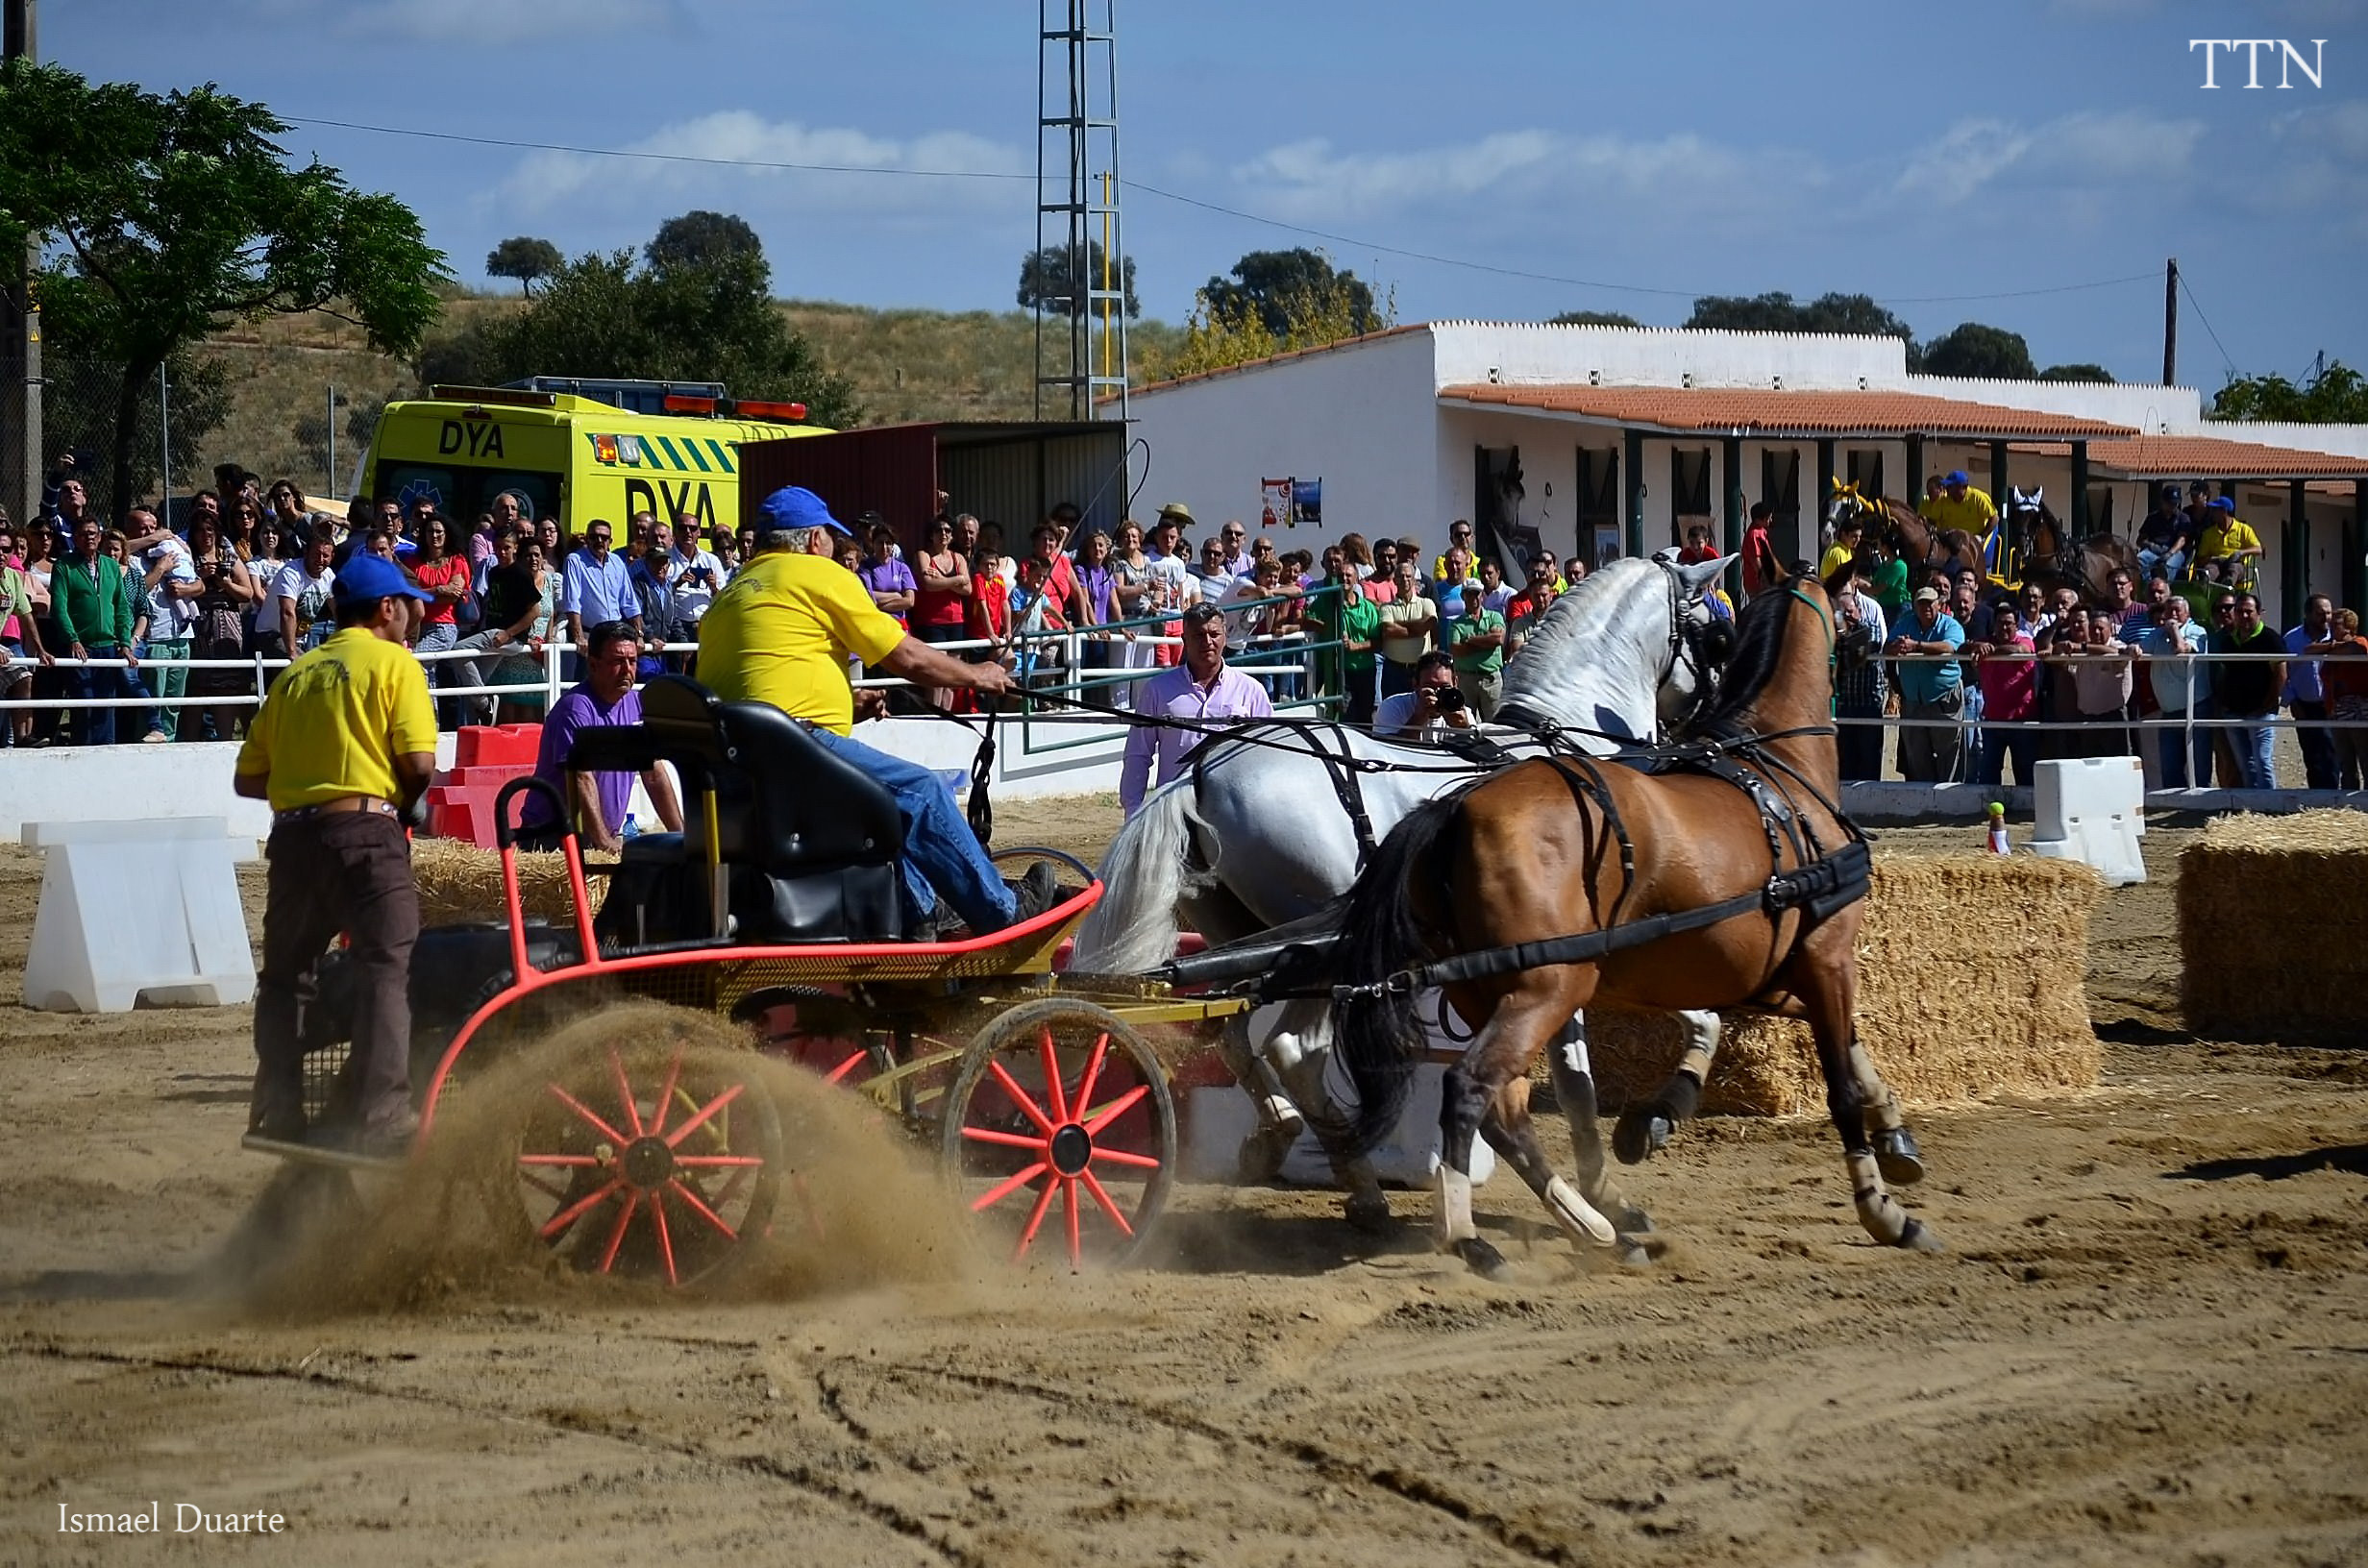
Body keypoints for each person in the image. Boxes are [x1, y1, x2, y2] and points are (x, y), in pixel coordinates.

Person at [697, 486, 1053, 932]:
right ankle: (1003, 912)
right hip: (793, 754)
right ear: (812, 541)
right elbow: (906, 658)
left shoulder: (730, 596)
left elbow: (760, 678)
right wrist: (979, 675)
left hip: (738, 772)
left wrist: (847, 704)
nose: (835, 547)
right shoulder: (818, 576)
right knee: (921, 792)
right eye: (830, 537)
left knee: (881, 802)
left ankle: (920, 913)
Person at [233, 554, 440, 1153]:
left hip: (294, 843)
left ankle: (278, 1105)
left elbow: (249, 779)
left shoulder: (297, 675)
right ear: (386, 608)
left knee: (285, 979)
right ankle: (381, 1116)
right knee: (384, 965)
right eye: (408, 605)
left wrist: (309, 787)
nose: (412, 616)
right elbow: (419, 764)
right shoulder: (393, 663)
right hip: (366, 835)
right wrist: (398, 798)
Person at [516, 622, 685, 853]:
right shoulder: (575, 709)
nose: (628, 669)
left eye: (632, 661)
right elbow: (580, 778)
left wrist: (682, 836)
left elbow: (654, 773)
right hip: (552, 838)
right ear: (593, 665)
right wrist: (604, 843)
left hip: (594, 837)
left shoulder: (634, 704)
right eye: (618, 661)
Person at [1119, 601, 1274, 814]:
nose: (1207, 642)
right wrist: (1133, 810)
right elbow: (1138, 754)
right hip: (1173, 811)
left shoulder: (1251, 691)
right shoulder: (1157, 689)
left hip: (1233, 813)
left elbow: (1267, 755)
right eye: (1199, 635)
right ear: (1184, 640)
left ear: (1225, 637)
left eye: (1214, 634)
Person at [52, 515, 139, 746]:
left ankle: (105, 755)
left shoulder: (111, 565)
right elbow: (59, 607)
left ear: (99, 537)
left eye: (93, 533)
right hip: (81, 648)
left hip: (107, 647)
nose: (88, 538)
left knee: (106, 705)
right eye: (83, 534)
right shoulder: (64, 566)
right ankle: (83, 754)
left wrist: (125, 643)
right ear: (76, 539)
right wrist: (73, 639)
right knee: (85, 703)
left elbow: (121, 607)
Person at [1887, 585, 1965, 782]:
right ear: (1915, 606)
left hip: (1945, 698)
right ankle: (1924, 802)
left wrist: (1917, 646)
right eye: (1921, 604)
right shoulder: (1906, 623)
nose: (1926, 608)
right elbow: (1886, 645)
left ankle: (1948, 798)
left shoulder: (1951, 625)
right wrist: (1895, 647)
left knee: (1949, 753)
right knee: (1916, 754)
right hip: (1913, 698)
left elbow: (1949, 647)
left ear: (1938, 604)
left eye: (1930, 603)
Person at [2135, 595, 2211, 787]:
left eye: (2178, 610)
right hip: (2168, 712)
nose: (2173, 614)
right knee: (2170, 766)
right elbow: (2140, 648)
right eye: (2170, 611)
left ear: (2188, 613)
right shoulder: (2158, 633)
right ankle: (2174, 805)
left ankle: (2201, 806)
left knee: (2198, 764)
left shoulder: (2197, 631)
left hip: (2196, 710)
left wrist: (2174, 630)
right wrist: (2132, 648)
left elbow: (2181, 649)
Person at [2212, 591, 2284, 789]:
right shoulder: (2228, 640)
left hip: (2261, 711)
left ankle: (2270, 804)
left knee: (2262, 761)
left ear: (2259, 612)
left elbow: (2281, 673)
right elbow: (2224, 673)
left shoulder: (2271, 639)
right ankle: (2251, 806)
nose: (2244, 616)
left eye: (2249, 612)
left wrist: (2268, 705)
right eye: (2240, 611)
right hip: (2234, 710)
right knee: (2245, 763)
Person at [1829, 562, 1888, 783]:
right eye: (1844, 612)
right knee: (1846, 761)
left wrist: (1852, 627)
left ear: (1858, 610)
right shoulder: (1836, 635)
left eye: (1851, 610)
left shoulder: (1869, 628)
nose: (1848, 615)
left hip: (1868, 704)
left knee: (1870, 761)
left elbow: (1870, 647)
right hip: (1845, 705)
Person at [1968, 601, 2036, 786]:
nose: (2004, 627)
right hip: (1993, 719)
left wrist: (1990, 651)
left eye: (2008, 623)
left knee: (2025, 770)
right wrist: (1976, 646)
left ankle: (2027, 811)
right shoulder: (1984, 642)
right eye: (2000, 623)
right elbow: (1962, 649)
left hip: (2021, 719)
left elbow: (2021, 651)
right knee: (1989, 771)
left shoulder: (2024, 640)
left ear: (2016, 625)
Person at [558, 517, 638, 663]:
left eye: (604, 537)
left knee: (613, 681)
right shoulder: (574, 560)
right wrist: (579, 637)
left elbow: (630, 602)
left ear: (610, 541)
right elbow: (572, 602)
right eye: (594, 537)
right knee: (587, 681)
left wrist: (639, 635)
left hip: (615, 635)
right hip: (589, 636)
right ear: (587, 539)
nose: (599, 540)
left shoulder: (617, 562)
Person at [2306, 608, 2368, 790]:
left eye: (2336, 624)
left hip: (2359, 710)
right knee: (2345, 761)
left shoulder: (2359, 643)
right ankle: (2349, 800)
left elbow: (2354, 650)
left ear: (2349, 627)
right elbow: (2308, 650)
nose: (2331, 627)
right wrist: (2332, 645)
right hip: (2336, 710)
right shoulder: (2333, 646)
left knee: (2365, 757)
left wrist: (2330, 646)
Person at [2283, 594, 2338, 791]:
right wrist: (2292, 702)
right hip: (2304, 704)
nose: (2326, 618)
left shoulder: (2338, 637)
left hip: (2332, 704)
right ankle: (2316, 796)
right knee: (2311, 753)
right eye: (2320, 613)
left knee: (2333, 753)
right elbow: (2284, 674)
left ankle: (2333, 797)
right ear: (2307, 614)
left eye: (2328, 612)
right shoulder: (2292, 639)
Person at [1372, 649, 1474, 742]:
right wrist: (1418, 718)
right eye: (1430, 687)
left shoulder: (1463, 713)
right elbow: (1387, 751)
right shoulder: (1393, 707)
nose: (1437, 693)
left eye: (1445, 687)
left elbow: (1476, 756)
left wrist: (1464, 729)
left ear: (1455, 683)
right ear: (1415, 684)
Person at [1447, 576, 1508, 721]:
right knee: (1465, 722)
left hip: (1491, 679)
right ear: (1463, 596)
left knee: (1494, 724)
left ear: (1482, 596)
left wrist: (1470, 640)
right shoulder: (1456, 623)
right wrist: (1486, 644)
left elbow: (1498, 639)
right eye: (1469, 593)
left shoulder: (1495, 617)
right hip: (1466, 679)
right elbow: (1456, 650)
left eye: (1476, 593)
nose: (1473, 597)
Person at [858, 521, 917, 629]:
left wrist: (878, 606)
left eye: (888, 543)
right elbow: (866, 596)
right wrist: (896, 596)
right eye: (880, 542)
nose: (884, 547)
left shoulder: (902, 568)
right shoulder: (865, 567)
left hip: (898, 625)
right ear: (873, 543)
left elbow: (909, 601)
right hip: (876, 625)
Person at [2195, 497, 2262, 587]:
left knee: (2234, 569)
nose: (2212, 513)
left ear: (2224, 511)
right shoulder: (2209, 533)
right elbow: (2200, 559)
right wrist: (2214, 558)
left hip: (2236, 563)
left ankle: (2226, 591)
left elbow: (2258, 549)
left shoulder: (2243, 529)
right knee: (2209, 571)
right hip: (2216, 563)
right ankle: (2207, 592)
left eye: (2215, 510)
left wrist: (2240, 553)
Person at [2135, 484, 2193, 583]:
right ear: (2163, 501)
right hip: (2153, 551)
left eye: (2175, 503)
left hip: (2174, 552)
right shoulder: (2152, 518)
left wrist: (2170, 553)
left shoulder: (2183, 518)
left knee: (2167, 566)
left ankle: (2164, 589)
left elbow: (2182, 539)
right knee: (2139, 559)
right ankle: (2146, 586)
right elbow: (2140, 539)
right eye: (2170, 503)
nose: (2172, 506)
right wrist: (2150, 545)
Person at [1819, 517, 1862, 583]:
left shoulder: (1847, 551)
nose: (1858, 540)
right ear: (1843, 534)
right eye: (1854, 536)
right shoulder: (1837, 553)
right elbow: (1841, 582)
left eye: (1859, 536)